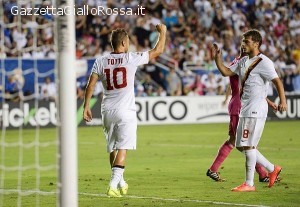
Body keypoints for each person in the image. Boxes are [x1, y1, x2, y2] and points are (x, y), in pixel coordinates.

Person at [83, 24, 167, 197]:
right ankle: (113, 183)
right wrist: (163, 32)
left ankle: (120, 181)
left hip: (106, 111)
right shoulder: (130, 58)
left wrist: (86, 106)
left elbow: (90, 84)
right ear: (122, 42)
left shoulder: (100, 61)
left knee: (112, 147)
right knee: (123, 148)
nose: (129, 44)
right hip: (125, 111)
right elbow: (157, 51)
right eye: (127, 41)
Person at [212, 29, 287, 192]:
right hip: (245, 109)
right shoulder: (244, 60)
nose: (242, 44)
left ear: (256, 43)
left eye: (246, 41)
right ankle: (272, 168)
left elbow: (277, 81)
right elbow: (226, 72)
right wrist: (217, 59)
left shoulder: (264, 62)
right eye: (242, 41)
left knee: (249, 146)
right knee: (242, 144)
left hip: (255, 109)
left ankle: (249, 183)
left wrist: (283, 100)